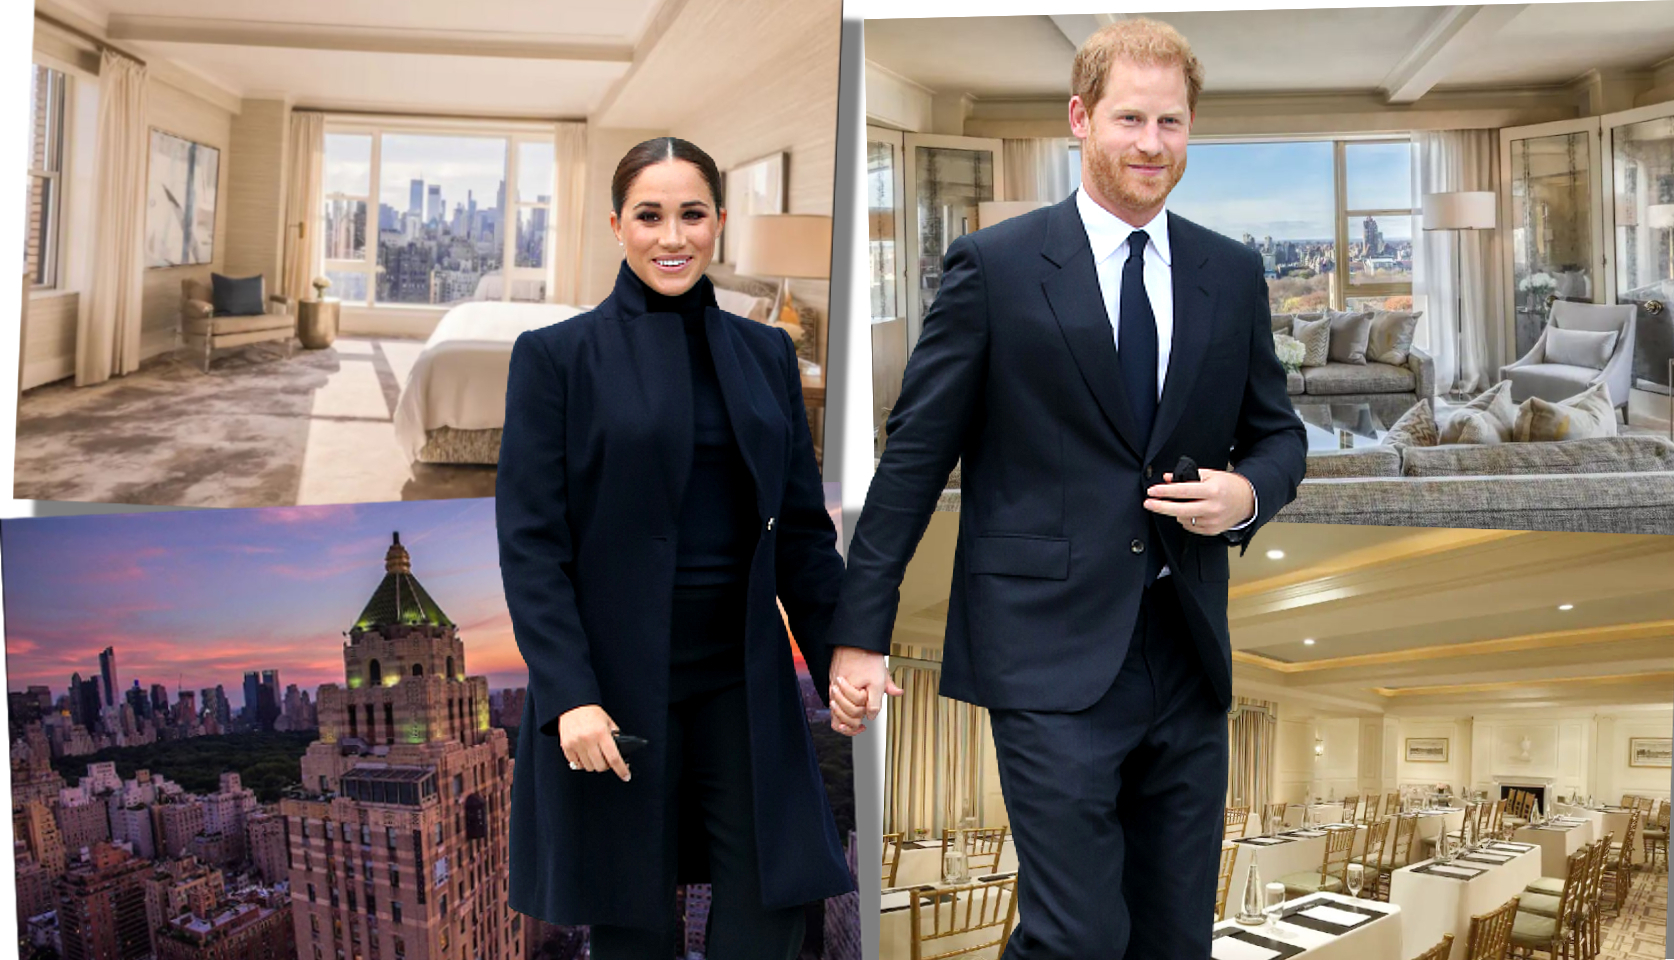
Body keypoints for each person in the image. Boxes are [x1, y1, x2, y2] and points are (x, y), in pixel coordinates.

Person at [825, 18, 1307, 959]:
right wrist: (860, 631)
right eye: (1130, 118)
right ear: (1081, 118)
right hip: (1045, 649)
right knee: (1077, 936)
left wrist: (1247, 493)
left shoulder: (1233, 271)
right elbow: (915, 456)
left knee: (1176, 939)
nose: (1150, 143)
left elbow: (1280, 433)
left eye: (1170, 122)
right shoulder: (994, 266)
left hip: (1188, 650)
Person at [496, 136, 852, 959]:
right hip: (615, 686)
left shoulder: (768, 353)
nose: (672, 237)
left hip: (743, 676)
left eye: (691, 215)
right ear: (616, 225)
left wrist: (843, 652)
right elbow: (531, 544)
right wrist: (569, 695)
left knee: (771, 905)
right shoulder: (554, 358)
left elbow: (802, 530)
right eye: (649, 216)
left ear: (719, 222)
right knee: (634, 920)